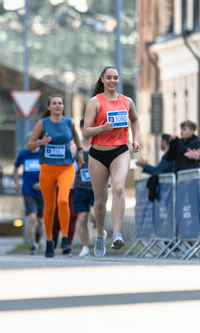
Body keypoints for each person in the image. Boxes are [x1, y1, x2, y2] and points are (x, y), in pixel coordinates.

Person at [82, 66, 140, 257]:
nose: (112, 81)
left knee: (118, 188)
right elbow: (86, 131)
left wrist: (135, 139)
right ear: (103, 79)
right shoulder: (95, 102)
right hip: (98, 153)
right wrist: (102, 128)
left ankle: (117, 233)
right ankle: (100, 234)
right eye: (109, 78)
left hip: (120, 151)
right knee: (100, 201)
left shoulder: (127, 101)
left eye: (115, 78)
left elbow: (135, 120)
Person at [27, 94, 83, 258]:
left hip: (66, 168)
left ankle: (65, 238)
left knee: (63, 200)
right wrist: (40, 143)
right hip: (47, 169)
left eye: (60, 103)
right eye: (54, 103)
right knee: (50, 207)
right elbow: (29, 145)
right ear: (49, 107)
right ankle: (50, 241)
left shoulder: (69, 122)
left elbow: (77, 138)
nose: (58, 106)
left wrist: (79, 152)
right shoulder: (42, 123)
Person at [13, 133, 44, 255]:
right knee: (32, 217)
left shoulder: (42, 153)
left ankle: (37, 239)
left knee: (40, 221)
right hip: (28, 190)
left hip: (42, 191)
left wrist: (42, 184)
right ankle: (32, 244)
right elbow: (15, 169)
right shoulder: (23, 154)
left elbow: (49, 171)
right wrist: (16, 182)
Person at [73, 119, 95, 257]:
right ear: (81, 129)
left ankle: (98, 228)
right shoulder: (75, 146)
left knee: (93, 214)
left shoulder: (97, 145)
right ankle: (85, 247)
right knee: (82, 218)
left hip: (95, 187)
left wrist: (109, 179)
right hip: (80, 186)